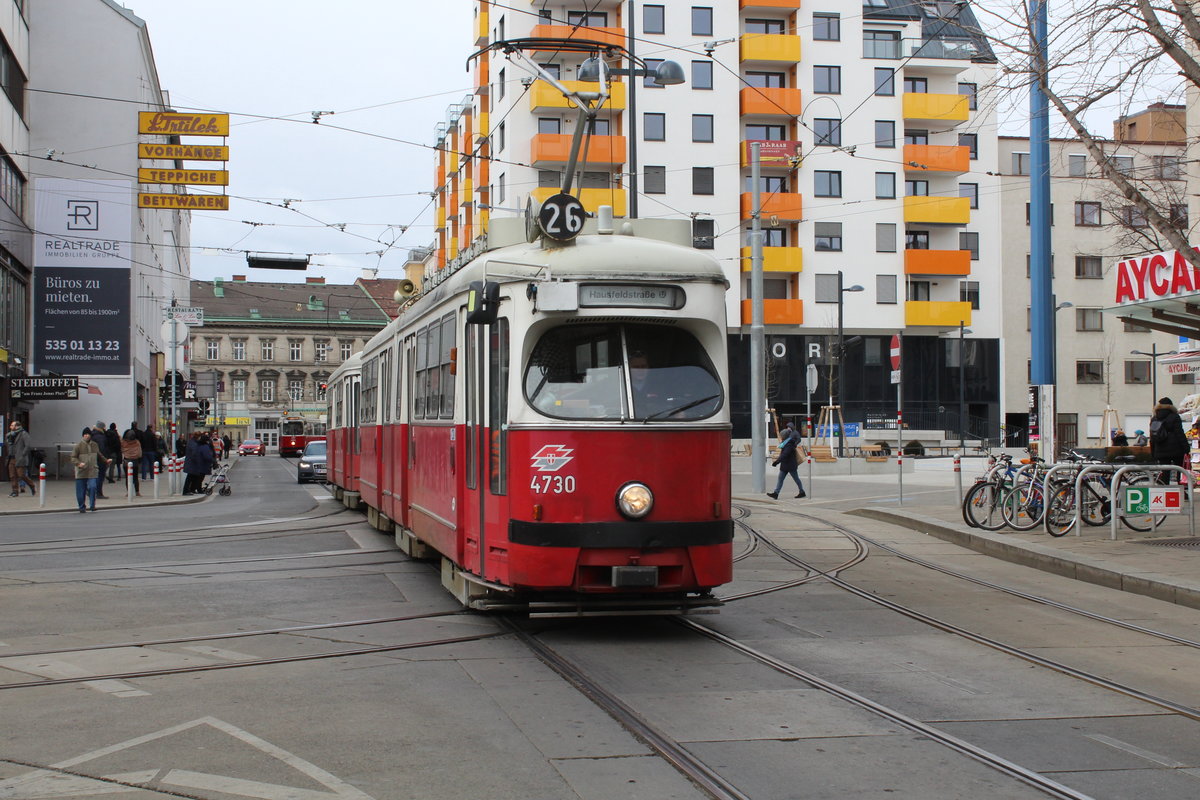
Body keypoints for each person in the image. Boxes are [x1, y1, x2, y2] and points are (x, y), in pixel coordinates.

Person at [1150, 397, 1189, 482]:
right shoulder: (1174, 417)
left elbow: (1152, 436)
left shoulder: (1155, 418)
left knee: (1165, 472)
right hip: (1176, 449)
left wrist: (1153, 452)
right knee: (1179, 470)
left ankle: (1165, 490)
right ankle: (1179, 488)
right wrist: (1186, 448)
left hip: (1160, 449)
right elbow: (1180, 433)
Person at [767, 421, 806, 500]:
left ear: (784, 436)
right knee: (780, 479)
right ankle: (776, 493)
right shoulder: (786, 443)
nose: (781, 437)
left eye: (782, 436)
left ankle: (802, 492)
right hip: (785, 465)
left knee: (796, 479)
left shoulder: (789, 444)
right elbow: (783, 454)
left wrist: (777, 462)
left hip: (790, 465)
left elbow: (785, 454)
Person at [71, 428, 101, 512]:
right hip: (81, 471)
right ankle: (81, 507)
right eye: (85, 434)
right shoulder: (78, 446)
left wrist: (106, 460)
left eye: (88, 434)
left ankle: (92, 505)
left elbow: (99, 454)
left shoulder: (94, 445)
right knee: (81, 491)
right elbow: (73, 458)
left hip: (92, 470)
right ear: (83, 435)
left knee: (93, 487)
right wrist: (78, 463)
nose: (87, 436)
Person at [6, 420, 35, 497]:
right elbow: (8, 445)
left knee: (21, 475)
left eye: (12, 425)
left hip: (20, 458)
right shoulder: (9, 435)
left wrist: (22, 455)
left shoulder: (24, 434)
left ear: (17, 426)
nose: (10, 427)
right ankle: (15, 491)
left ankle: (32, 485)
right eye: (11, 425)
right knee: (12, 476)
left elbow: (27, 445)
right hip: (11, 458)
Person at [90, 421, 111, 499]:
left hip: (93, 458)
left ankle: (91, 491)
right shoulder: (100, 437)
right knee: (100, 476)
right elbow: (102, 449)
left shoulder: (93, 435)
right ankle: (98, 493)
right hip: (100, 459)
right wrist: (105, 459)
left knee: (94, 476)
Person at [120, 428, 143, 496]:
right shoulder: (137, 442)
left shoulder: (123, 442)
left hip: (126, 461)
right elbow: (140, 454)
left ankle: (129, 492)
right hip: (135, 461)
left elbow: (121, 450)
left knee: (127, 478)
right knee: (135, 477)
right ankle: (137, 492)